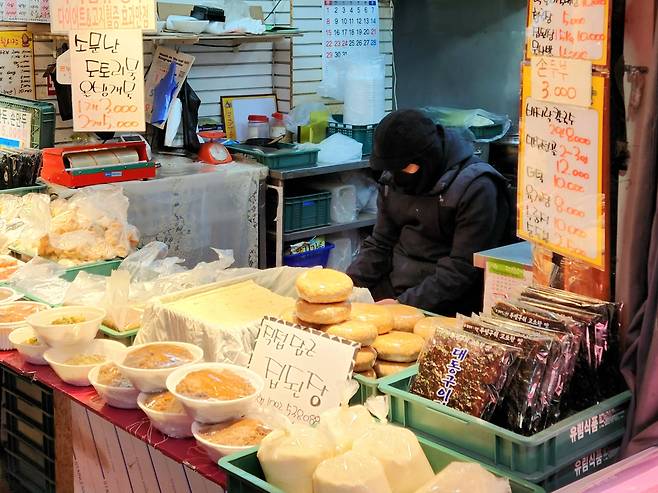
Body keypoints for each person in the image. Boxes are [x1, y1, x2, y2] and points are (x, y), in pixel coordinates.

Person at [346, 109, 513, 315]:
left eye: (405, 168)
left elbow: (461, 269)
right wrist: (347, 286)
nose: (396, 176)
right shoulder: (394, 178)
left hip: (448, 303)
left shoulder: (477, 187)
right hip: (394, 289)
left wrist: (403, 306)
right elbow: (380, 243)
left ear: (428, 158)